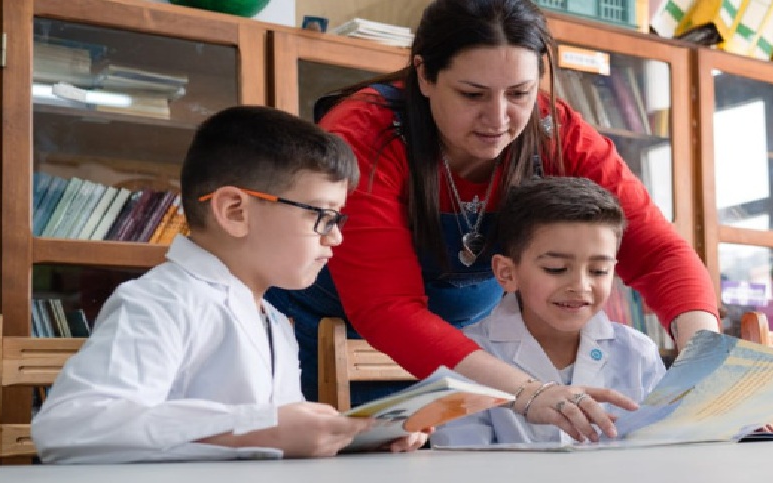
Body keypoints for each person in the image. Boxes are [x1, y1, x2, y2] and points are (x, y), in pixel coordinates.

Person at [266, 0, 720, 443]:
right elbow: (387, 307)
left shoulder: (554, 130)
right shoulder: (366, 134)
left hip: (471, 353)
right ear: (424, 74)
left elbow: (659, 252)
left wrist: (705, 362)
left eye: (520, 93)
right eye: (472, 94)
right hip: (330, 329)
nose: (499, 119)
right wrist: (526, 391)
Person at [32, 105, 428, 464]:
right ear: (234, 211)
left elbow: (275, 439)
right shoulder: (162, 300)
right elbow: (71, 427)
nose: (336, 238)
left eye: (338, 219)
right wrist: (261, 427)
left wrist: (355, 437)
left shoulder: (272, 317)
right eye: (322, 215)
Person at [431, 177, 663, 446]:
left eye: (599, 271)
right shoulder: (467, 355)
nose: (580, 286)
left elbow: (658, 454)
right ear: (507, 273)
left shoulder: (638, 354)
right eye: (556, 269)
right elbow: (459, 465)